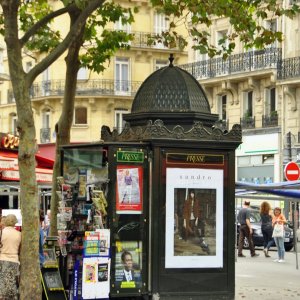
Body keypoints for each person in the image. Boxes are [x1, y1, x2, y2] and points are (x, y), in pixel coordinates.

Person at [0, 214, 22, 300]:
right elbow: (20, 249)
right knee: (12, 282)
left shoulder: (1, 232)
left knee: (2, 282)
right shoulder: (19, 234)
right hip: (14, 260)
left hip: (2, 259)